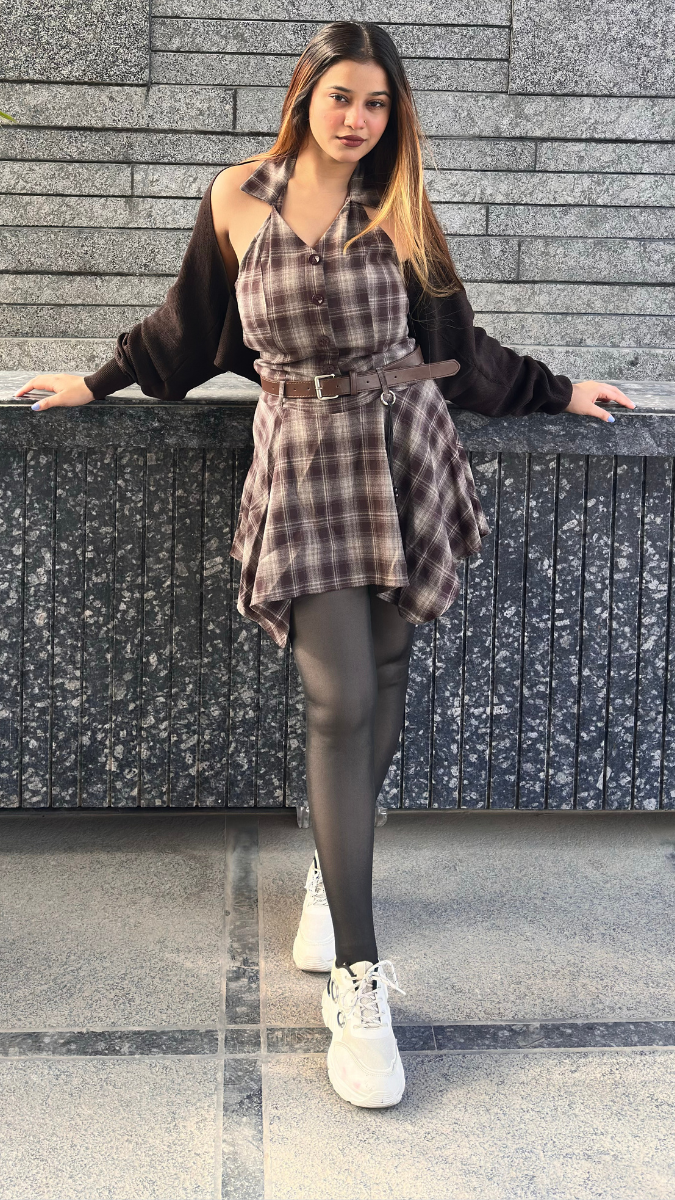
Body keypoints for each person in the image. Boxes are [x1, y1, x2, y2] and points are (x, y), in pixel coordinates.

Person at [17, 21, 635, 1109]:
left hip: (402, 448)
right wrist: (97, 379)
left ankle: (329, 874)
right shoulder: (240, 195)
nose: (358, 119)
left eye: (377, 103)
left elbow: (457, 346)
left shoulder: (399, 205)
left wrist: (557, 389)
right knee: (340, 697)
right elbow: (188, 324)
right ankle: (357, 977)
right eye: (341, 96)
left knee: (384, 677)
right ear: (304, 95)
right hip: (304, 460)